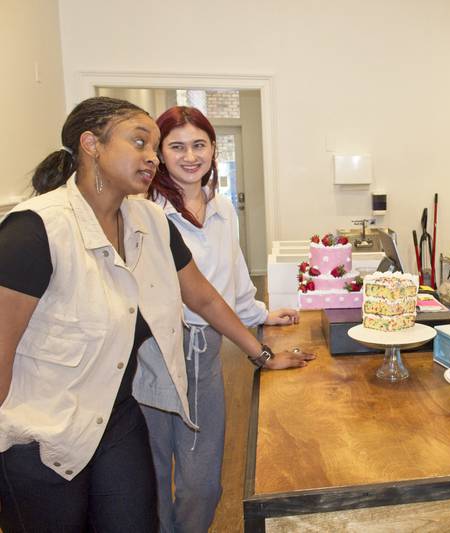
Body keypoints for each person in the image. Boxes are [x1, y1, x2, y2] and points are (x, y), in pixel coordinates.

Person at [0, 97, 312, 532]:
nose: (152, 156)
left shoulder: (148, 220)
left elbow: (203, 297)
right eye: (142, 142)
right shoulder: (34, 231)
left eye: (154, 146)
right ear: (91, 145)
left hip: (116, 415)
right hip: (42, 432)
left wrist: (261, 353)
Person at [142, 106, 304, 532]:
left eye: (199, 145)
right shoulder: (144, 212)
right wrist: (260, 353)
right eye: (176, 147)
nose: (190, 156)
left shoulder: (221, 207)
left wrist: (262, 314)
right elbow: (195, 296)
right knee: (153, 481)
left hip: (206, 352)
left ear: (214, 149)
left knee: (202, 485)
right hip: (152, 356)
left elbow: (230, 278)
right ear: (159, 153)